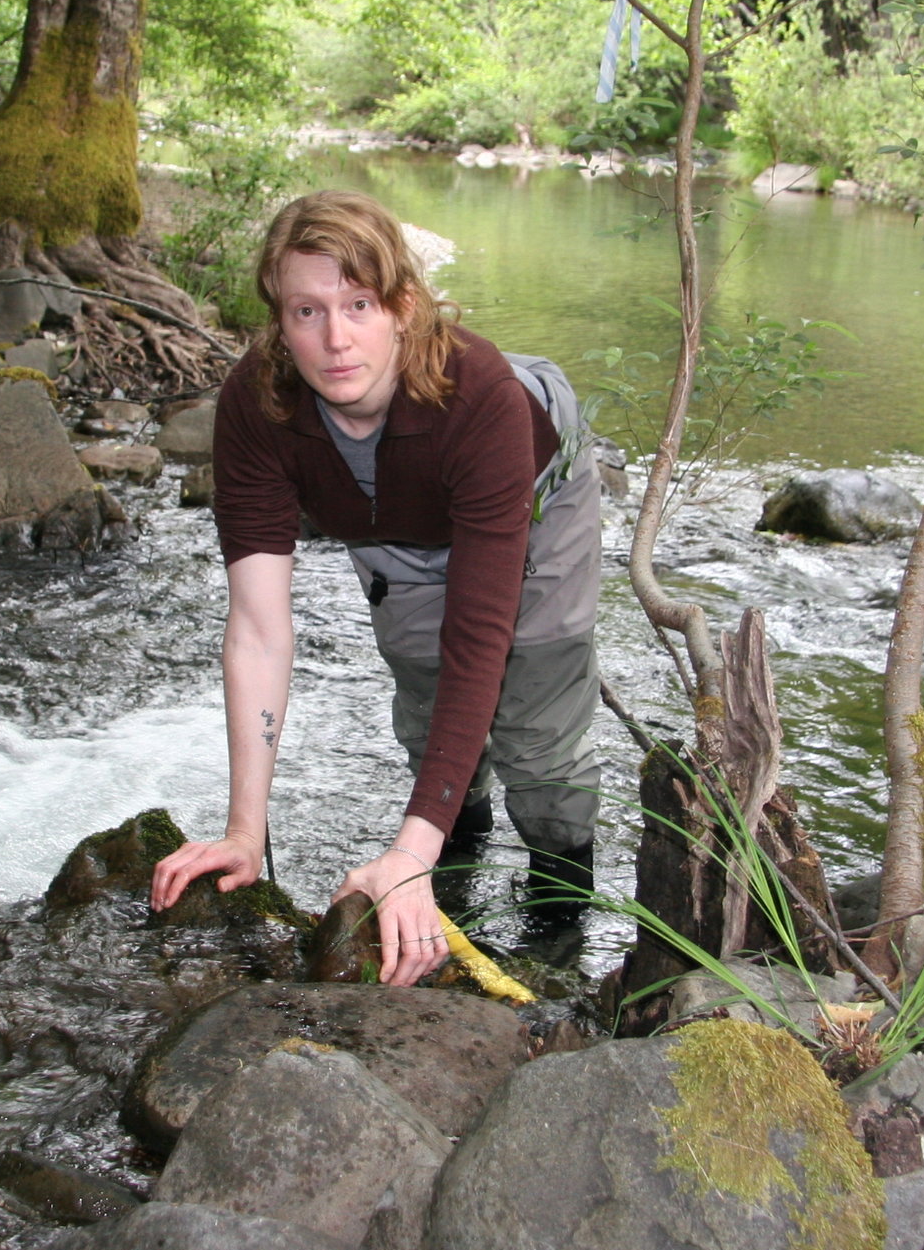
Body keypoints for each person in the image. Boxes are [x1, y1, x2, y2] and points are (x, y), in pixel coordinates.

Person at [147, 189, 605, 987]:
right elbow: (258, 629)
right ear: (278, 323)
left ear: (401, 303)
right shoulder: (259, 405)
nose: (336, 339)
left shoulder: (480, 393)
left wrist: (404, 850)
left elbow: (480, 635)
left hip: (535, 498)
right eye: (307, 311)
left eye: (359, 304)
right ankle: (443, 862)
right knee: (429, 710)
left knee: (538, 742)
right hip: (392, 511)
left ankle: (555, 948)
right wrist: (243, 832)